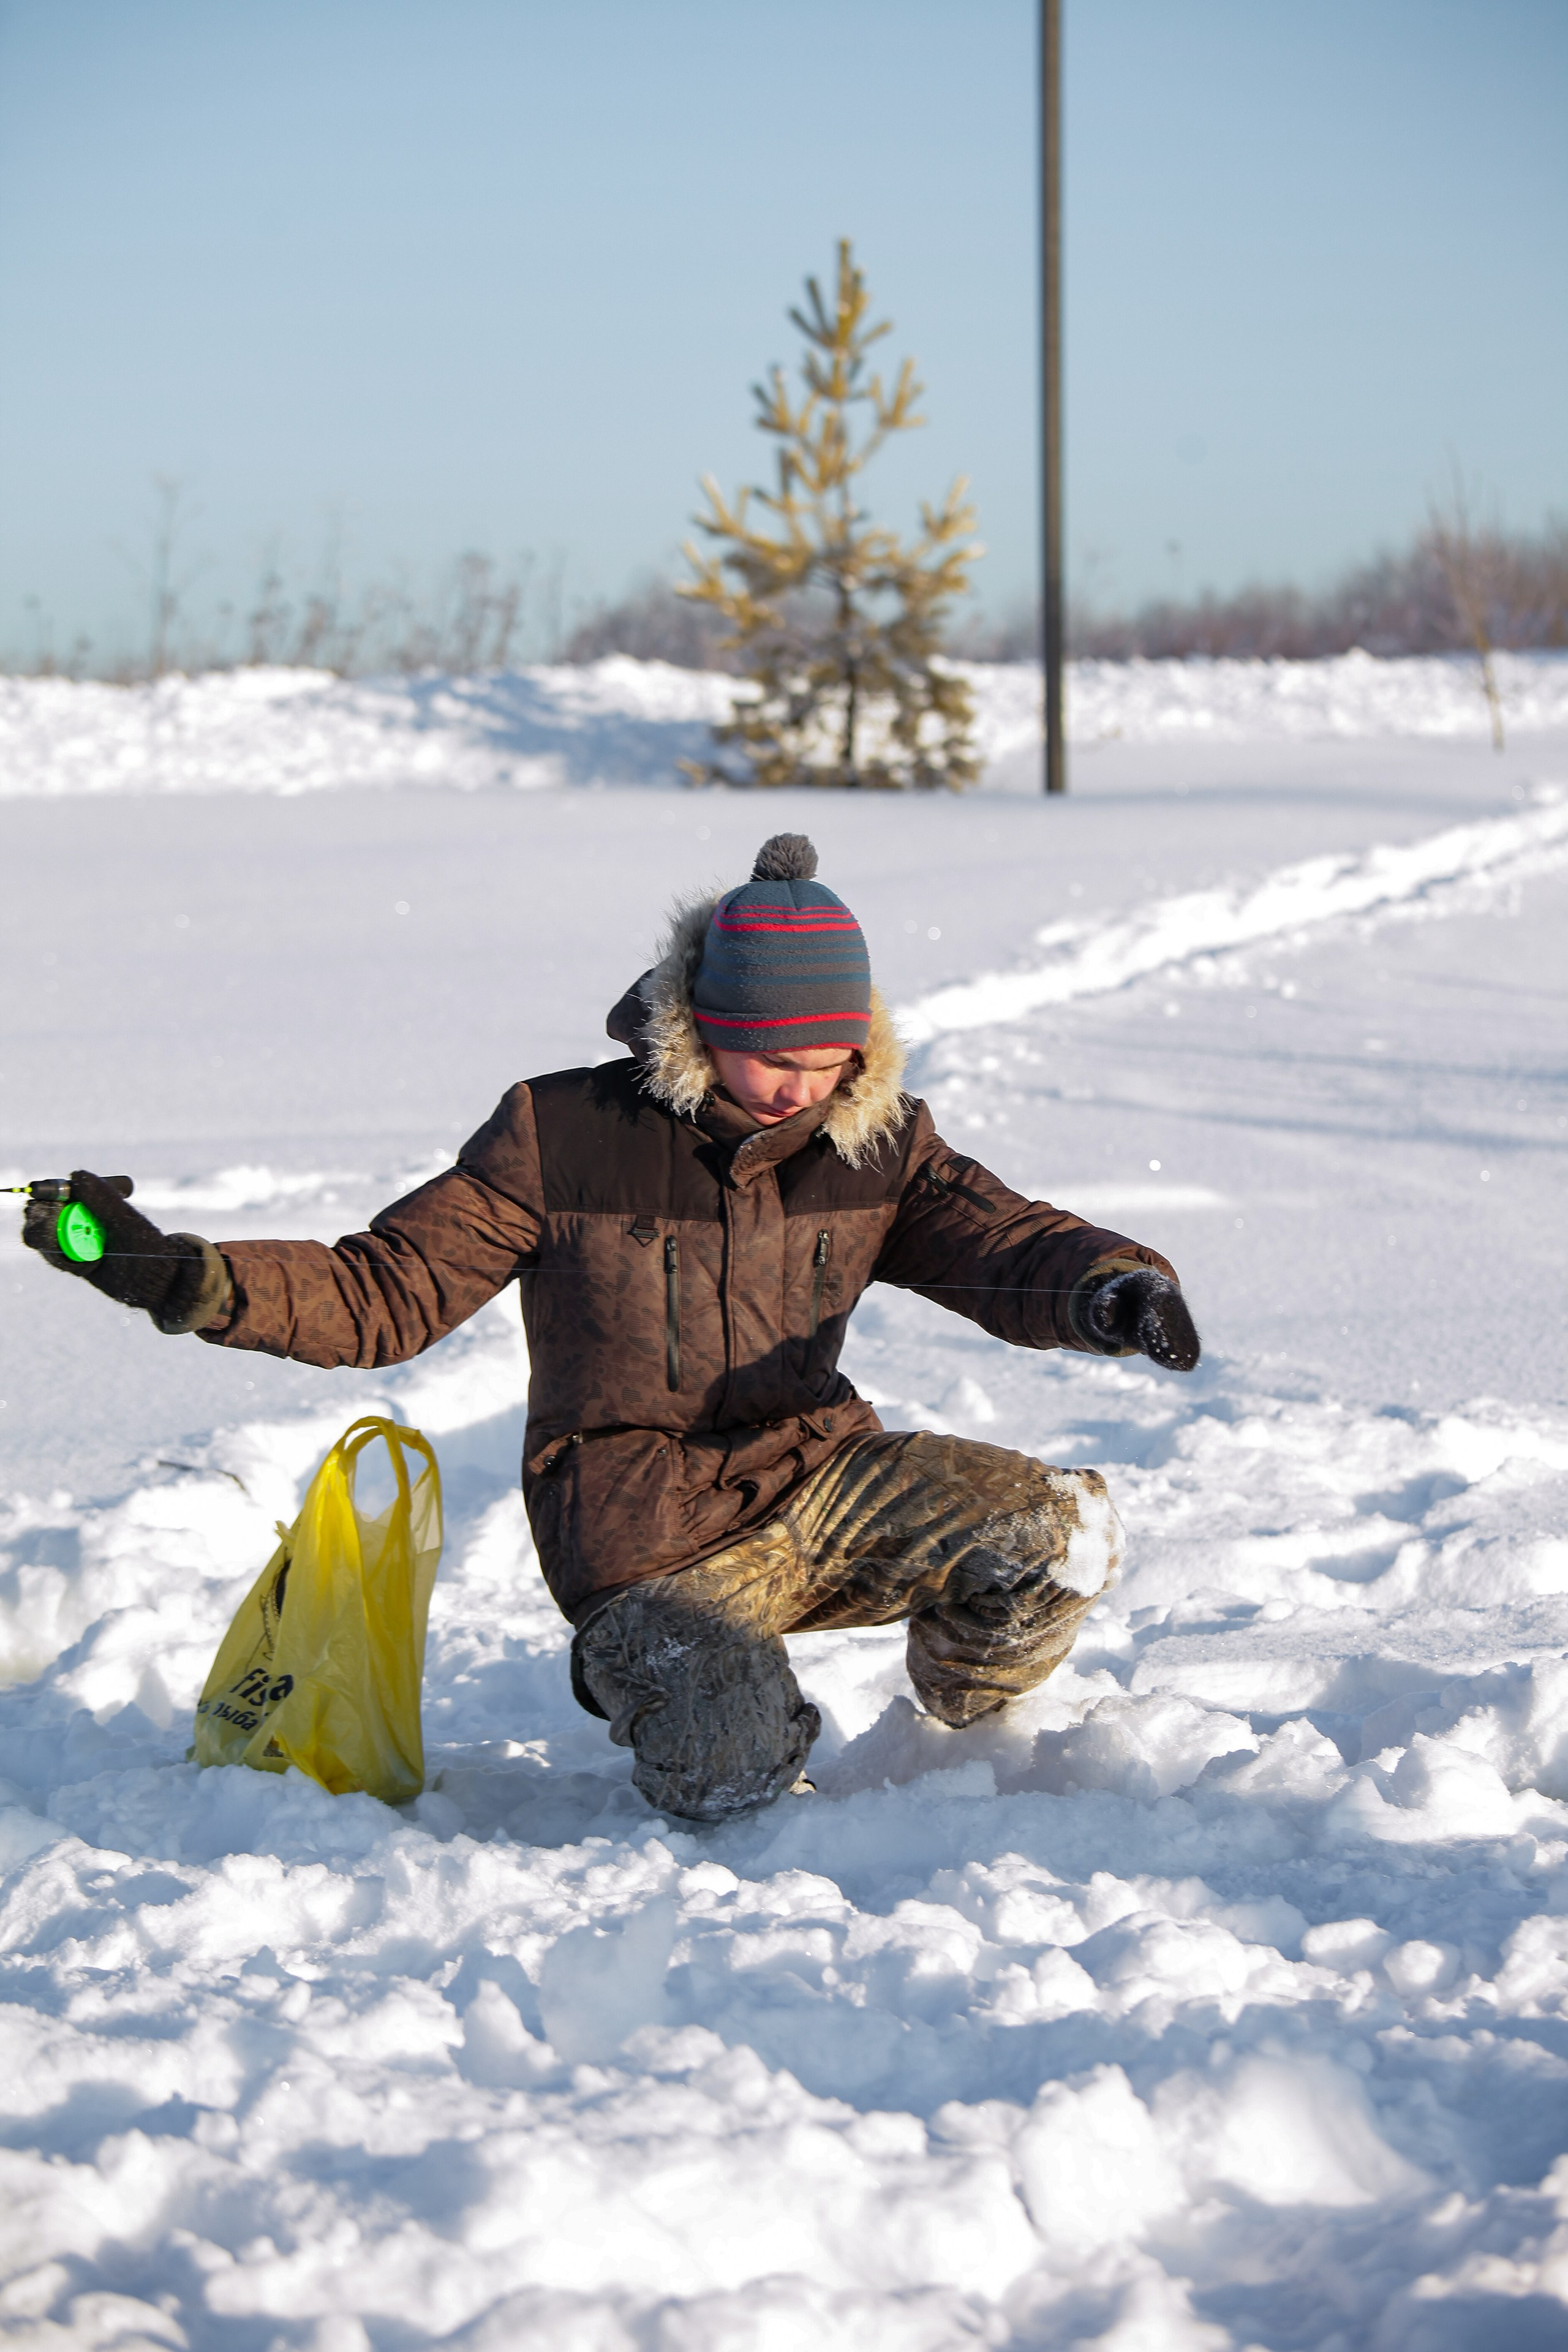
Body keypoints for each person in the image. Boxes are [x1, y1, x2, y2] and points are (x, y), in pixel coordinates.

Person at [24, 833, 1200, 1821]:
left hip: (817, 1476)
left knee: (1058, 1533)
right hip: (642, 1530)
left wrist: (1113, 1286)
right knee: (731, 1772)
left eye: (830, 1060)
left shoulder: (876, 1138)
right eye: (769, 1058)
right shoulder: (561, 1132)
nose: (801, 1089)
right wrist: (177, 1276)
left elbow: (1002, 1242)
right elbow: (384, 1293)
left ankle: (965, 1749)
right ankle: (687, 1679)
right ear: (700, 1020)